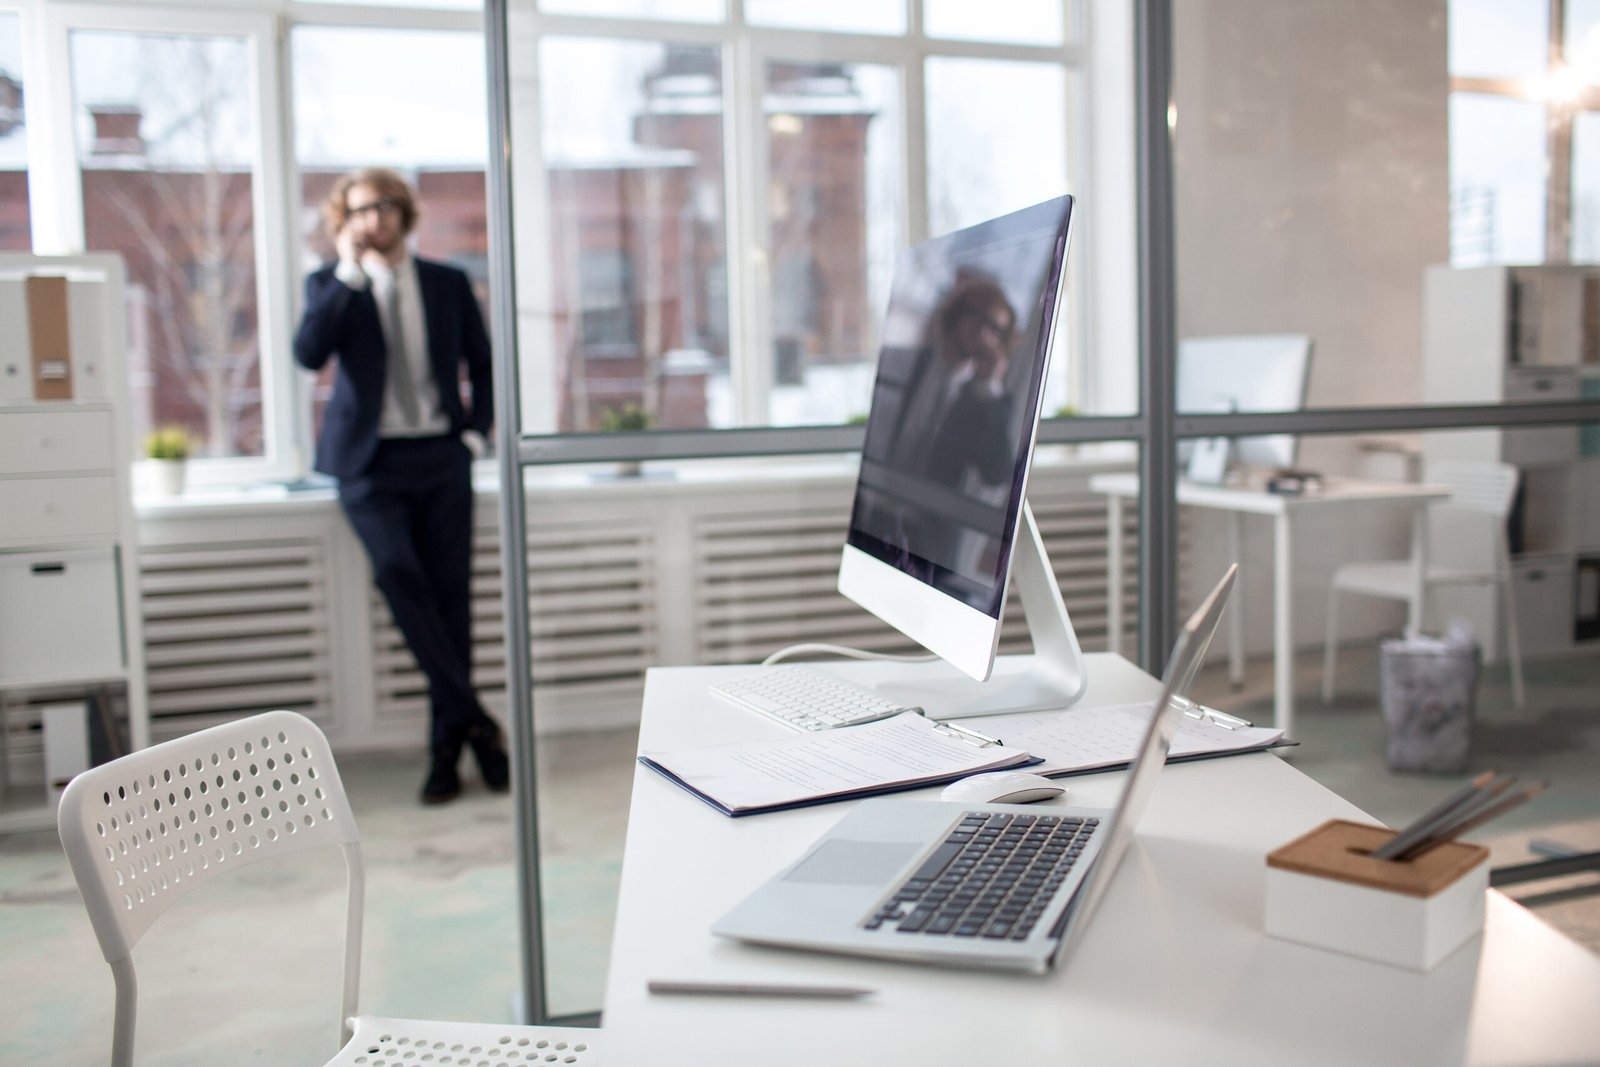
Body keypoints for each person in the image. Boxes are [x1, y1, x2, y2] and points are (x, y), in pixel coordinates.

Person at [293, 167, 507, 805]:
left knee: (451, 600)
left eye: (386, 206)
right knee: (399, 578)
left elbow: (483, 362)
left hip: (442, 458)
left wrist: (474, 434)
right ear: (345, 220)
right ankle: (476, 722)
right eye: (361, 209)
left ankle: (447, 747)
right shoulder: (330, 286)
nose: (375, 218)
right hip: (369, 467)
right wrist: (347, 276)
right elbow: (308, 354)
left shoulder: (446, 283)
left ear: (404, 214)